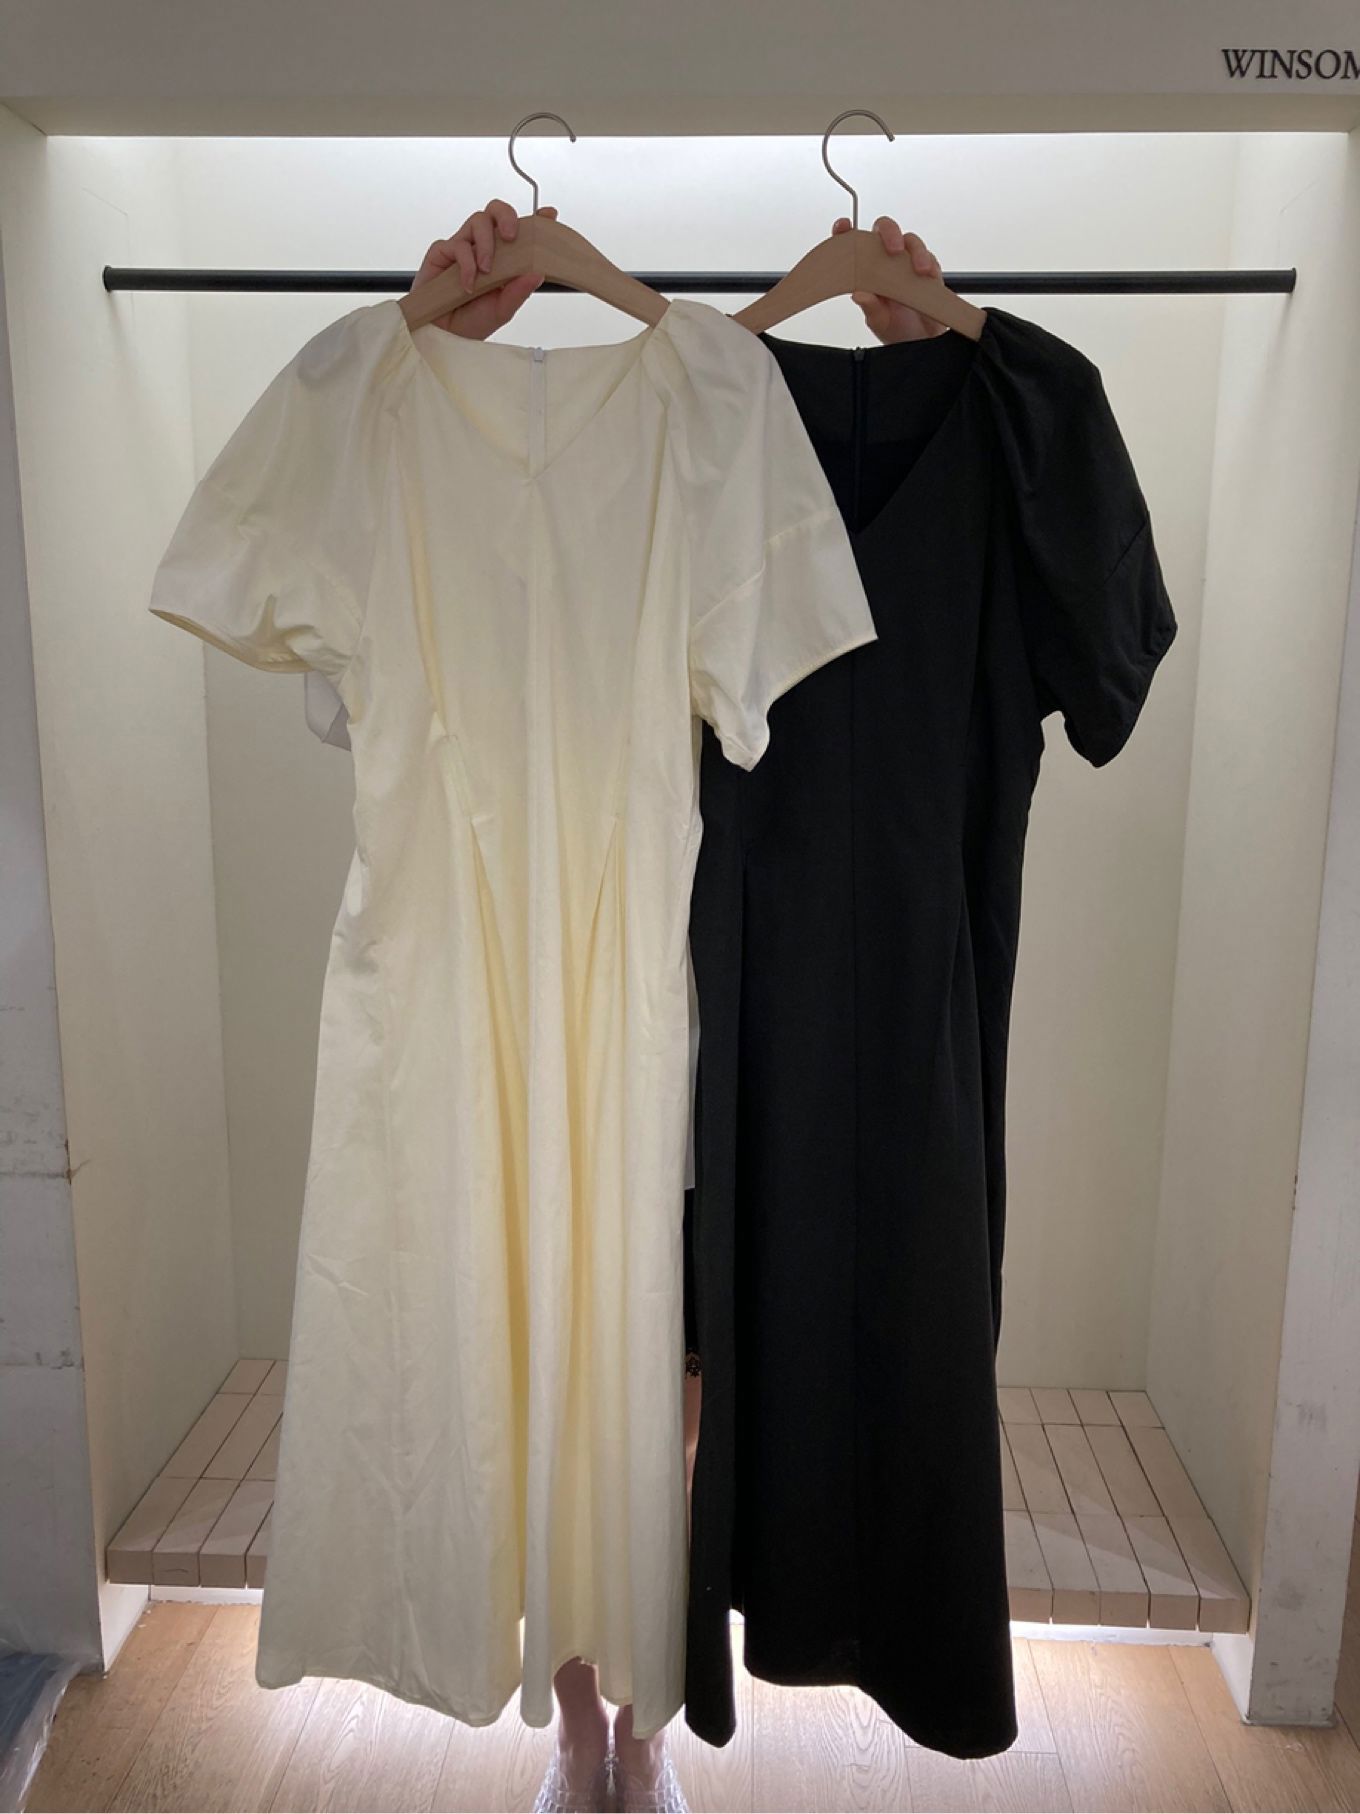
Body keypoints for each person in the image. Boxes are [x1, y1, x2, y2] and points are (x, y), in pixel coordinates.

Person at [411, 195, 945, 1814]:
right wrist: (418, 346)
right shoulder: (441, 452)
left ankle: (640, 1711)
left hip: (705, 1021)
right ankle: (585, 1722)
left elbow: (777, 699)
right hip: (537, 1019)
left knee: (678, 1397)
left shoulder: (714, 415)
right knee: (560, 1377)